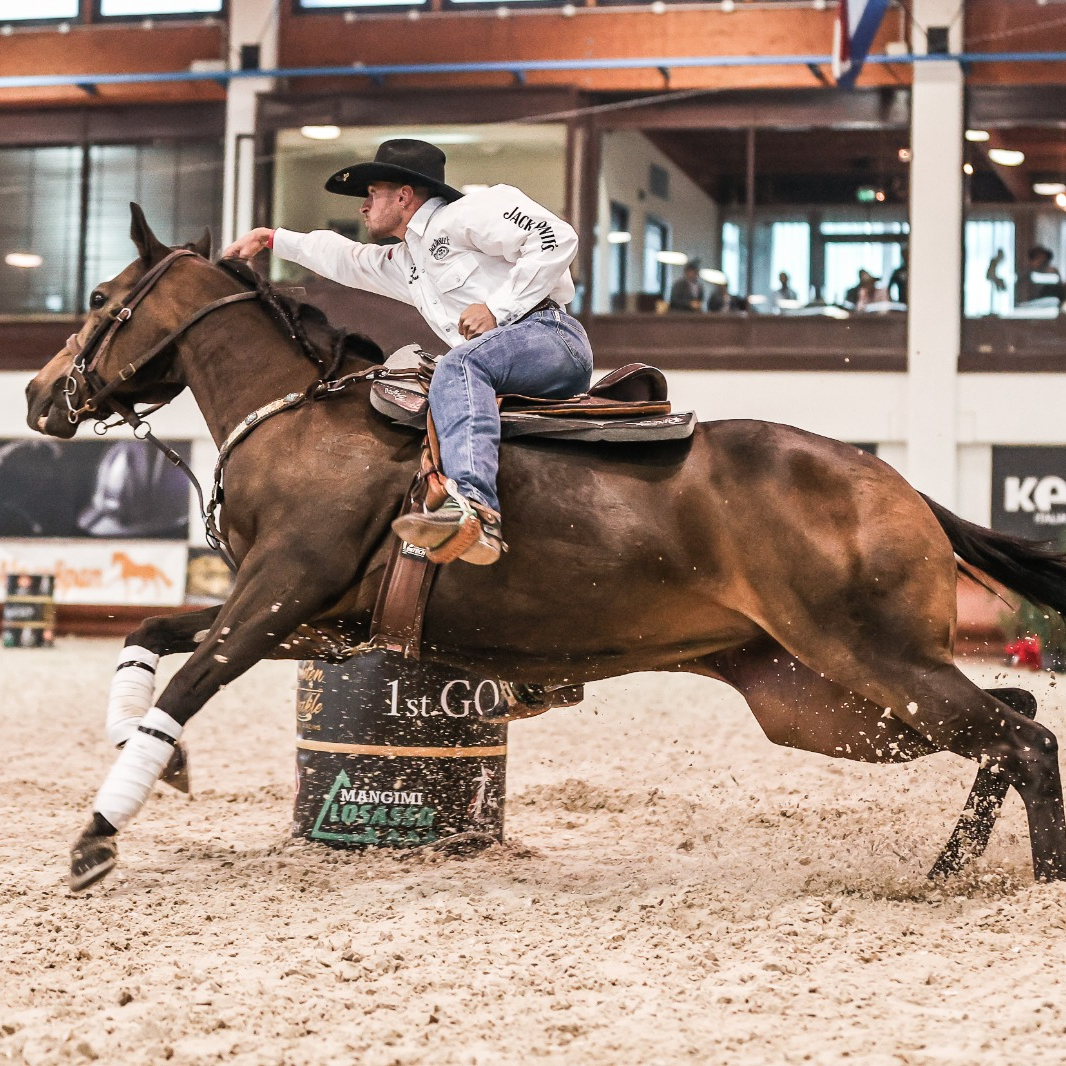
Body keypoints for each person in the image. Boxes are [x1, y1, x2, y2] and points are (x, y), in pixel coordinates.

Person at [222, 139, 592, 566]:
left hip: (551, 336)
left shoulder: (467, 213)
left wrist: (496, 307)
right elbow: (346, 259)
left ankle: (474, 509)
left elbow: (557, 237)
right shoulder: (408, 262)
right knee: (445, 371)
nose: (363, 207)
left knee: (458, 366)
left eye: (372, 193)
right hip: (510, 353)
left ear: (403, 195)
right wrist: (271, 239)